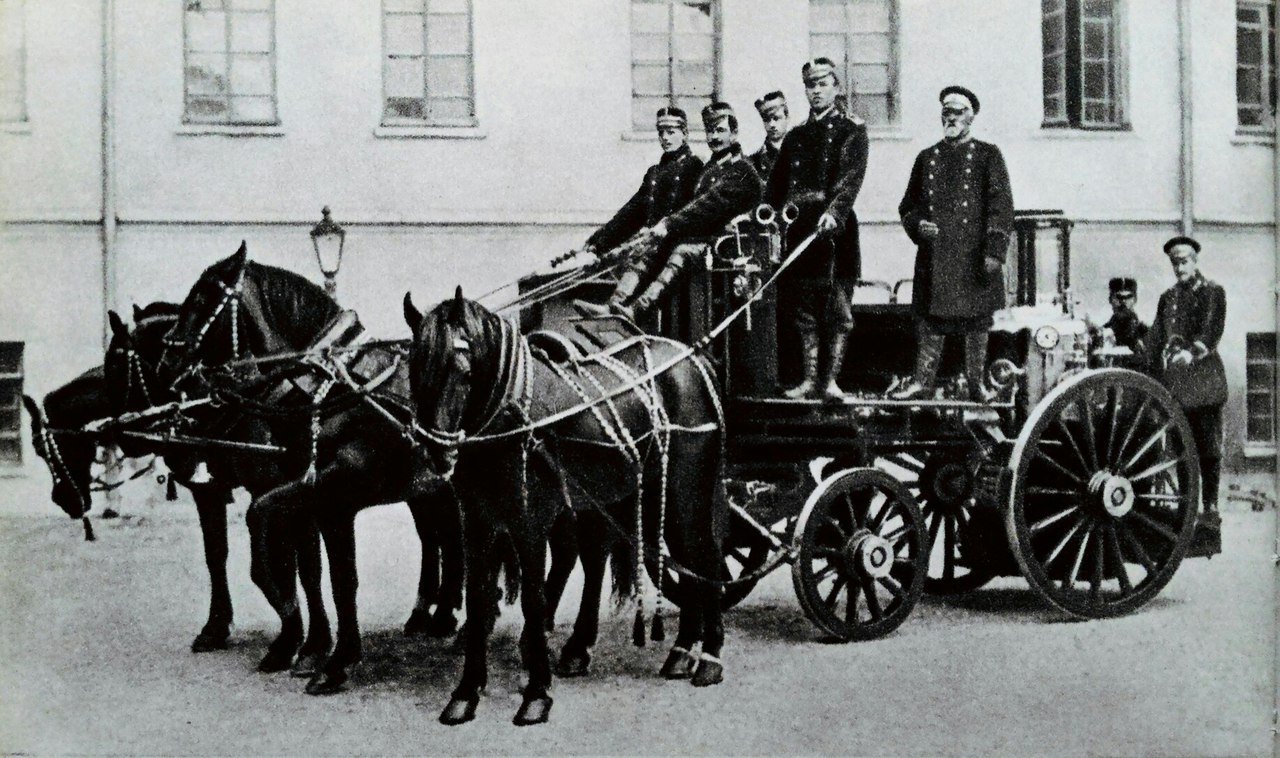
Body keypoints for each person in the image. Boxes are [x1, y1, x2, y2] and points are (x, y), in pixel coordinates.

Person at [576, 102, 762, 322]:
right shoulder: (710, 168)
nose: (714, 137)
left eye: (720, 130)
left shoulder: (741, 169)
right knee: (653, 249)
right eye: (710, 131)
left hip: (726, 248)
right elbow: (635, 209)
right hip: (701, 241)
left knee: (680, 251)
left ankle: (638, 310)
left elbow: (709, 204)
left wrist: (668, 224)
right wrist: (599, 241)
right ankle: (615, 306)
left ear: (735, 133)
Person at [890, 85, 1013, 402]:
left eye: (957, 112)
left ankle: (977, 384)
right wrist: (918, 225)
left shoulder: (988, 155)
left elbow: (1001, 207)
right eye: (946, 111)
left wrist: (994, 251)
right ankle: (923, 382)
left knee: (977, 321)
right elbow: (908, 206)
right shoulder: (926, 158)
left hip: (974, 256)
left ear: (971, 117)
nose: (951, 117)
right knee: (931, 321)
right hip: (936, 255)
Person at [763, 58, 869, 400]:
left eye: (823, 83)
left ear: (836, 87)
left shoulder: (852, 130)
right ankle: (810, 381)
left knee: (838, 313)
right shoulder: (795, 136)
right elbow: (775, 191)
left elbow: (850, 181)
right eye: (811, 85)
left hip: (835, 235)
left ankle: (831, 383)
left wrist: (834, 213)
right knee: (804, 313)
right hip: (800, 233)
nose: (816, 91)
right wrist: (766, 213)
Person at [1146, 236, 1227, 548]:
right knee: (1182, 449)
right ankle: (1187, 505)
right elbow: (1156, 336)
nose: (1179, 267)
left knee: (1208, 448)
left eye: (1184, 261)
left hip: (1204, 382)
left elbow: (1212, 329)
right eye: (1174, 263)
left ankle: (1210, 508)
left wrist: (1192, 352)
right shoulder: (1168, 297)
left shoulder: (1211, 291)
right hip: (1178, 386)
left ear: (1195, 261)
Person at [572, 106, 703, 291]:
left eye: (671, 132)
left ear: (685, 134)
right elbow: (631, 213)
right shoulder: (654, 173)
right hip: (651, 248)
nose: (665, 138)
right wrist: (597, 243)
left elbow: (697, 211)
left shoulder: (695, 166)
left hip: (675, 251)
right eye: (661, 133)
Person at [1101, 276, 1149, 368]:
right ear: (1110, 300)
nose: (1123, 302)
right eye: (1118, 297)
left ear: (1135, 300)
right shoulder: (1103, 334)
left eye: (1128, 297)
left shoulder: (1145, 332)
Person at [750, 91, 789, 179]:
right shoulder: (755, 162)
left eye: (776, 118)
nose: (771, 124)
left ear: (787, 118)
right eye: (766, 119)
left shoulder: (800, 151)